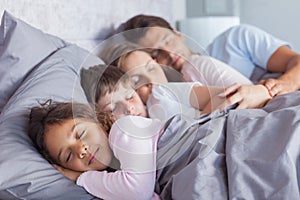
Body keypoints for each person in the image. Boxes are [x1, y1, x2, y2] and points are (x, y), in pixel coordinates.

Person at [115, 14, 300, 104]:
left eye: (168, 41)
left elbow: (296, 62)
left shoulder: (235, 40)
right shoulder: (172, 98)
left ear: (178, 34)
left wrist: (279, 86)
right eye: (157, 55)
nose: (170, 54)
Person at [28, 100, 163, 199]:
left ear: (99, 121)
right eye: (68, 156)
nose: (81, 149)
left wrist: (79, 177)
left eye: (81, 134)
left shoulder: (124, 129)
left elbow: (137, 191)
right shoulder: (112, 182)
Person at [81, 64, 235, 121]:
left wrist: (197, 123)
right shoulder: (125, 145)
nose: (128, 109)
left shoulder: (160, 95)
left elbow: (224, 95)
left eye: (130, 97)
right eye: (113, 108)